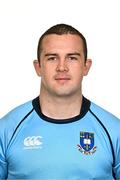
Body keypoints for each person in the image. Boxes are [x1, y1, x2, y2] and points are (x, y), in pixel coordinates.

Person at [0, 23, 120, 179]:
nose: (62, 67)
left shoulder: (114, 131)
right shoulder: (6, 130)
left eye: (72, 58)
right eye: (52, 58)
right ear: (38, 67)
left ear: (86, 66)